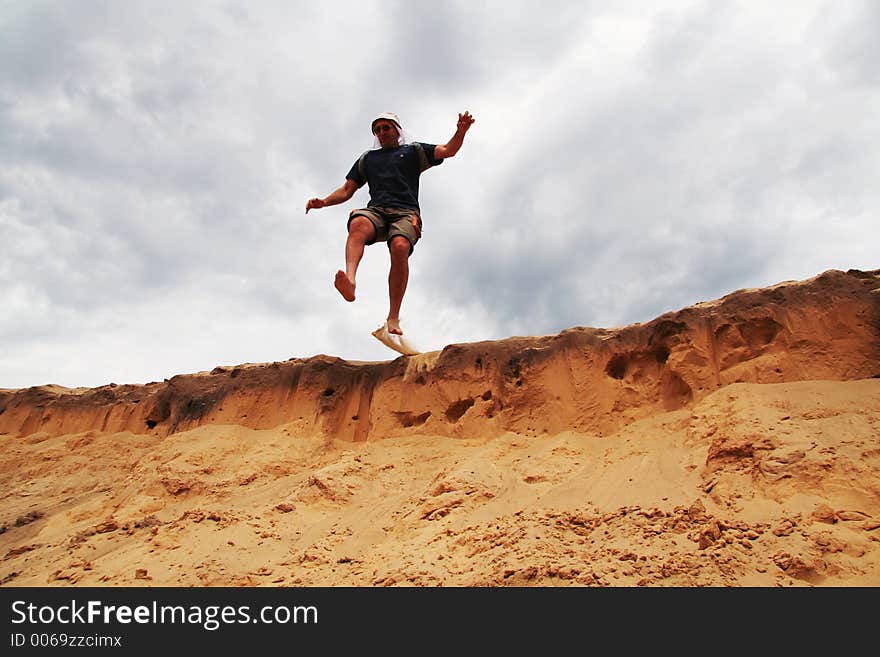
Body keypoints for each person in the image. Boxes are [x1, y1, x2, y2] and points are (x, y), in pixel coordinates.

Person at [305, 110, 475, 338]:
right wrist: (324, 202)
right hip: (377, 211)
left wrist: (460, 131)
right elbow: (347, 190)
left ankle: (393, 318)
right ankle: (351, 282)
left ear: (397, 130)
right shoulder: (368, 159)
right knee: (358, 223)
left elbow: (448, 150)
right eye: (377, 130)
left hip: (405, 212)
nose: (382, 132)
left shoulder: (413, 151)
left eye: (386, 127)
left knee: (400, 246)